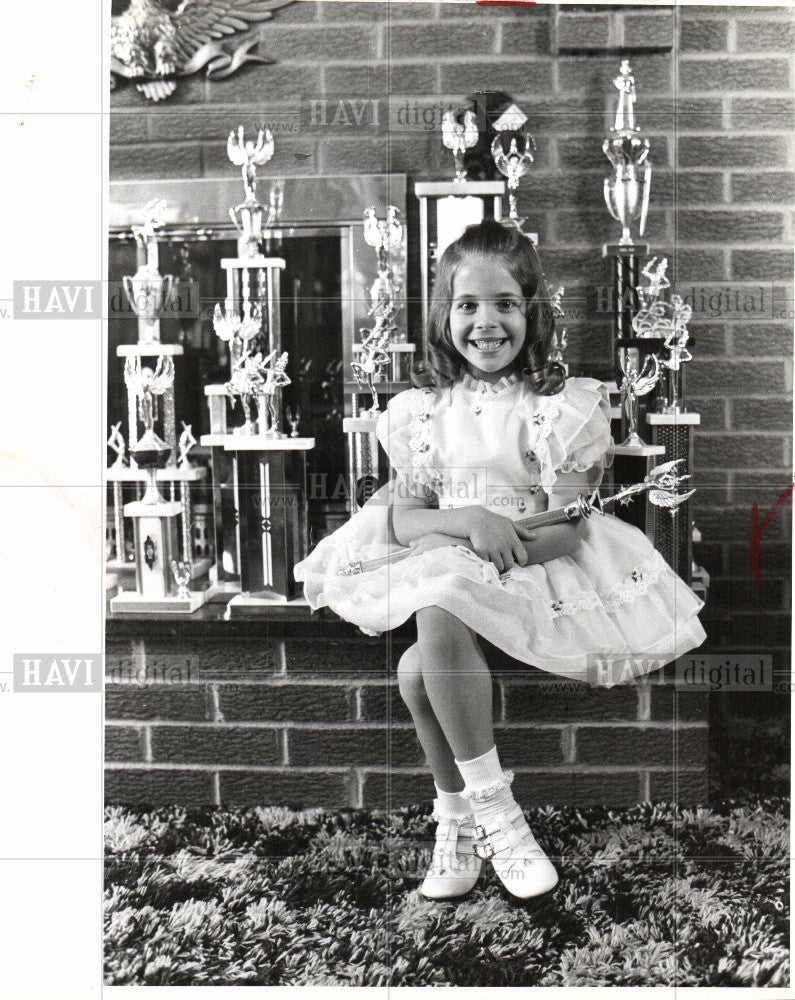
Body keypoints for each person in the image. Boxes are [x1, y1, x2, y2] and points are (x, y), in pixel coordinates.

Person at [295, 220, 706, 902]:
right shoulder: (421, 411)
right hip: (453, 560)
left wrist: (489, 544)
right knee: (422, 641)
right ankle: (482, 814)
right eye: (467, 305)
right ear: (443, 315)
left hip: (535, 566)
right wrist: (464, 522)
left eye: (505, 304)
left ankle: (472, 815)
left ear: (530, 310)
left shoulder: (559, 408)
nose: (486, 322)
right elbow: (396, 517)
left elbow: (568, 529)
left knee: (425, 639)